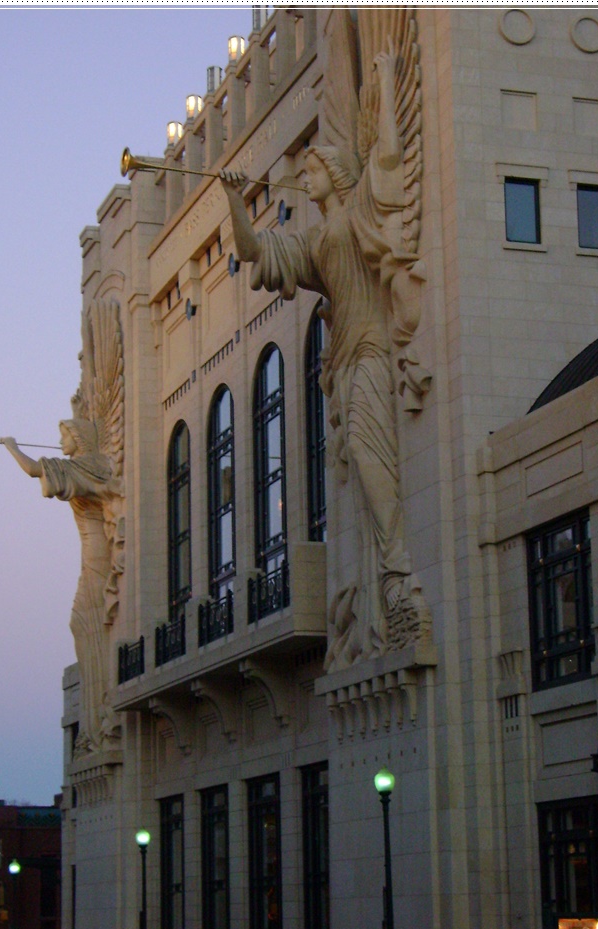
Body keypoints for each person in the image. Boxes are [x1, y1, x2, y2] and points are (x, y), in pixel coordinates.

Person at [221, 45, 430, 667]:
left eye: (311, 169)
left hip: (371, 349)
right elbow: (254, 249)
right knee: (364, 470)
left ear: (334, 176)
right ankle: (383, 592)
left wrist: (388, 83)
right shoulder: (312, 242)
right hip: (343, 363)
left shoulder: (362, 211)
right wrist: (235, 199)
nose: (303, 176)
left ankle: (397, 577)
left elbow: (388, 158)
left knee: (372, 460)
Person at [1, 420, 124, 744]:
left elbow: (32, 470)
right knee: (83, 625)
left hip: (97, 553)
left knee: (84, 623)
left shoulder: (87, 466)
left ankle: (102, 720)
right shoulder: (87, 466)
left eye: (65, 435)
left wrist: (11, 446)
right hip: (90, 553)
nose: (59, 441)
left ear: (79, 437)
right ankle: (95, 721)